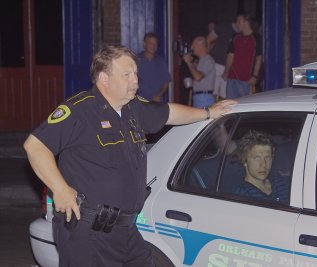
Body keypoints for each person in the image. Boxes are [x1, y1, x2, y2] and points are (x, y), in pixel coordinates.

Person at [23, 45, 236, 266]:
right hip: (88, 233)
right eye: (126, 74)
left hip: (125, 230)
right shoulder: (79, 110)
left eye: (135, 73)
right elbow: (35, 146)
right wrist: (60, 189)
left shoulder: (132, 107)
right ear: (104, 78)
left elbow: (169, 113)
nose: (135, 80)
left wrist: (208, 112)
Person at [232, 130, 289, 203]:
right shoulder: (241, 196)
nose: (264, 164)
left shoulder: (279, 182)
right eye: (257, 158)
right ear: (244, 161)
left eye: (267, 157)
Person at [223, 14, 262, 98]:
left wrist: (255, 76)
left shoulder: (256, 38)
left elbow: (259, 58)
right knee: (230, 105)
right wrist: (226, 71)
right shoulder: (235, 37)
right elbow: (230, 56)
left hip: (246, 79)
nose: (236, 24)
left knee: (245, 105)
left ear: (246, 21)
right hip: (232, 77)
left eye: (239, 21)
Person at [206, 21, 238, 100]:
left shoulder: (242, 33)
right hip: (216, 64)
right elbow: (208, 39)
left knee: (225, 96)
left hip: (230, 67)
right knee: (213, 93)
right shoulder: (223, 27)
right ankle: (212, 111)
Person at [183, 36, 216, 108]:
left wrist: (189, 63)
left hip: (204, 98)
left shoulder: (208, 60)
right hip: (199, 97)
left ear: (200, 46)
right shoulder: (201, 60)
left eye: (193, 45)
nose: (191, 47)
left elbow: (198, 77)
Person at [137, 32, 171, 102]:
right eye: (150, 44)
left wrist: (159, 95)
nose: (153, 46)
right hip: (139, 101)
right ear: (144, 44)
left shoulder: (161, 62)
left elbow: (166, 82)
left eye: (155, 44)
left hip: (156, 102)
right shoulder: (136, 60)